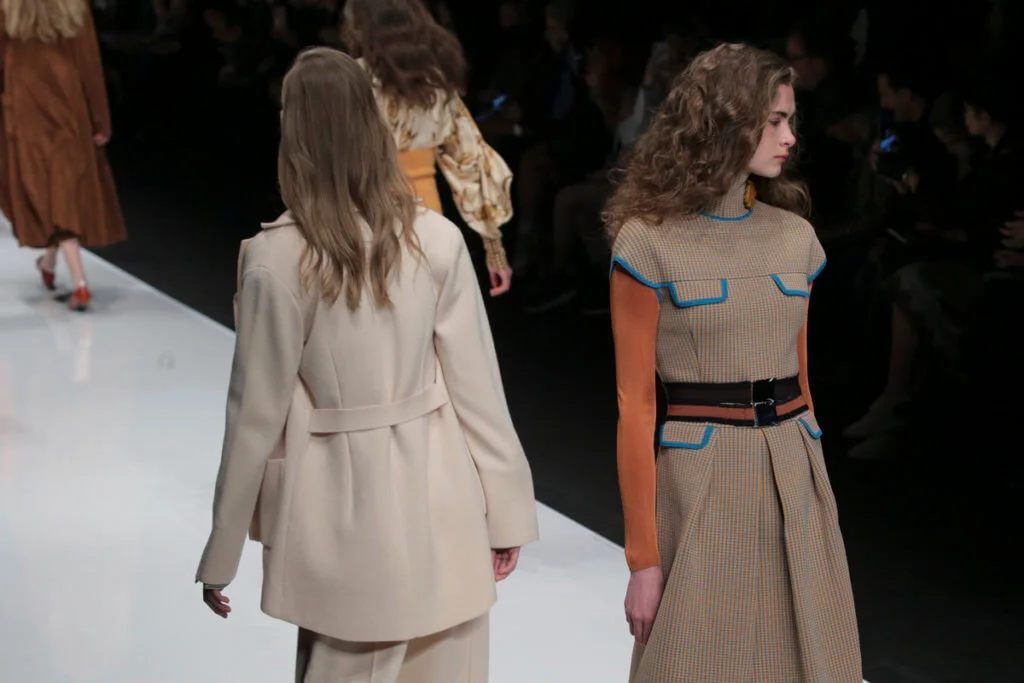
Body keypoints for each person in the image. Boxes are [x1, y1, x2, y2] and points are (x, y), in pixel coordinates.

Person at [195, 47, 539, 683]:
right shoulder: (435, 239)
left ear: (294, 133)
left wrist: (222, 552)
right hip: (443, 505)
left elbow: (254, 417)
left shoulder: (278, 259)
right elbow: (479, 390)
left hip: (342, 516)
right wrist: (508, 508)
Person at [605, 43, 862, 682]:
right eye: (774, 120)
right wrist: (642, 559)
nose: (790, 137)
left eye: (790, 120)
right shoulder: (647, 242)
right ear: (724, 120)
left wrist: (815, 487)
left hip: (792, 474)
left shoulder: (795, 239)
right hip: (701, 478)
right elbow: (635, 405)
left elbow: (802, 383)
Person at [343, 0, 515, 298]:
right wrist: (494, 248)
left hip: (366, 217)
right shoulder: (435, 84)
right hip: (426, 219)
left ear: (360, 27)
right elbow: (472, 160)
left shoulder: (349, 80)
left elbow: (322, 155)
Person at [0, 0, 126, 311]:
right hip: (67, 100)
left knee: (44, 188)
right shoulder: (74, 5)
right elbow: (89, 63)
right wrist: (101, 119)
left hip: (24, 100)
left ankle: (77, 281)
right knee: (63, 185)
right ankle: (53, 265)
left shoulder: (8, 6)